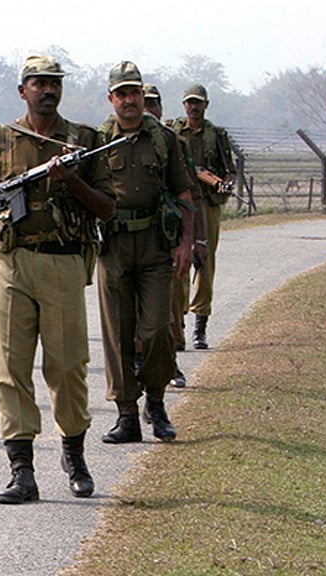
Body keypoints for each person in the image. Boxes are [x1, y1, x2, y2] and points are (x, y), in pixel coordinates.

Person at [0, 55, 114, 504]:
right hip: (11, 262)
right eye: (39, 83)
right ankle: (21, 470)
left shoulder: (83, 141)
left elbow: (107, 206)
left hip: (64, 263)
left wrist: (72, 181)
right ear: (23, 91)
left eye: (54, 83)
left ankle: (74, 456)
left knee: (68, 366)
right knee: (12, 367)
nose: (48, 90)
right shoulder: (1, 139)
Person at [97, 61, 195, 446]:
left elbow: (184, 194)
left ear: (142, 95)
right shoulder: (97, 141)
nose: (129, 100)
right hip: (114, 247)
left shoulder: (164, 139)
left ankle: (155, 401)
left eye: (134, 93)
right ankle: (126, 414)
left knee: (157, 330)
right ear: (111, 99)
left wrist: (186, 243)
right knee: (118, 335)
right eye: (121, 94)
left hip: (155, 245)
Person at [144, 83, 208, 388]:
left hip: (167, 240)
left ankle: (170, 364)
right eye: (144, 102)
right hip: (130, 243)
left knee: (169, 308)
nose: (148, 109)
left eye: (153, 104)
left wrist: (196, 240)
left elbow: (191, 196)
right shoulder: (114, 142)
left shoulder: (173, 145)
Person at [170, 83, 236, 350]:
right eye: (189, 102)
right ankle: (178, 322)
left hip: (207, 203)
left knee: (204, 262)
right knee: (178, 260)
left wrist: (224, 184)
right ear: (184, 104)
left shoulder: (217, 135)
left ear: (206, 105)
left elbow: (230, 170)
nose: (193, 107)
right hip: (180, 201)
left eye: (198, 102)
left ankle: (200, 324)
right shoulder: (173, 132)